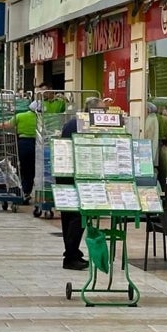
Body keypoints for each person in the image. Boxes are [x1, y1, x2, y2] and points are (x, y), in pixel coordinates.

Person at [59, 97, 103, 270]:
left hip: (66, 172)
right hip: (76, 173)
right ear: (93, 111)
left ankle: (72, 252)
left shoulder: (72, 122)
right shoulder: (85, 124)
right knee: (77, 215)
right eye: (102, 110)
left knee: (69, 216)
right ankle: (70, 257)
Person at [0, 103, 38, 200]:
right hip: (36, 144)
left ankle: (19, 189)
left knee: (21, 167)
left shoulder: (20, 116)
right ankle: (27, 191)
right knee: (31, 169)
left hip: (23, 143)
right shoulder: (40, 118)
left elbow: (6, 125)